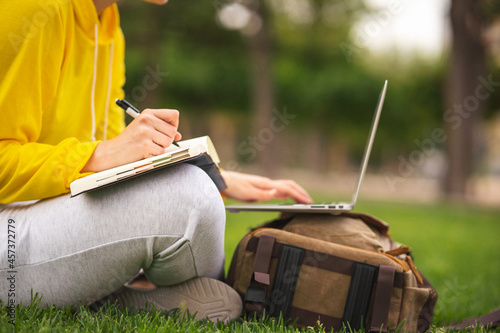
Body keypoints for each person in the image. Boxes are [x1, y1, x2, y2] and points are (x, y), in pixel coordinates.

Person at [0, 0, 312, 323]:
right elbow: (99, 154)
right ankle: (113, 293)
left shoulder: (107, 25)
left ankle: (112, 290)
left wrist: (212, 175)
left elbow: (105, 161)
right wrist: (101, 153)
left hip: (47, 211)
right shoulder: (35, 8)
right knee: (189, 199)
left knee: (196, 189)